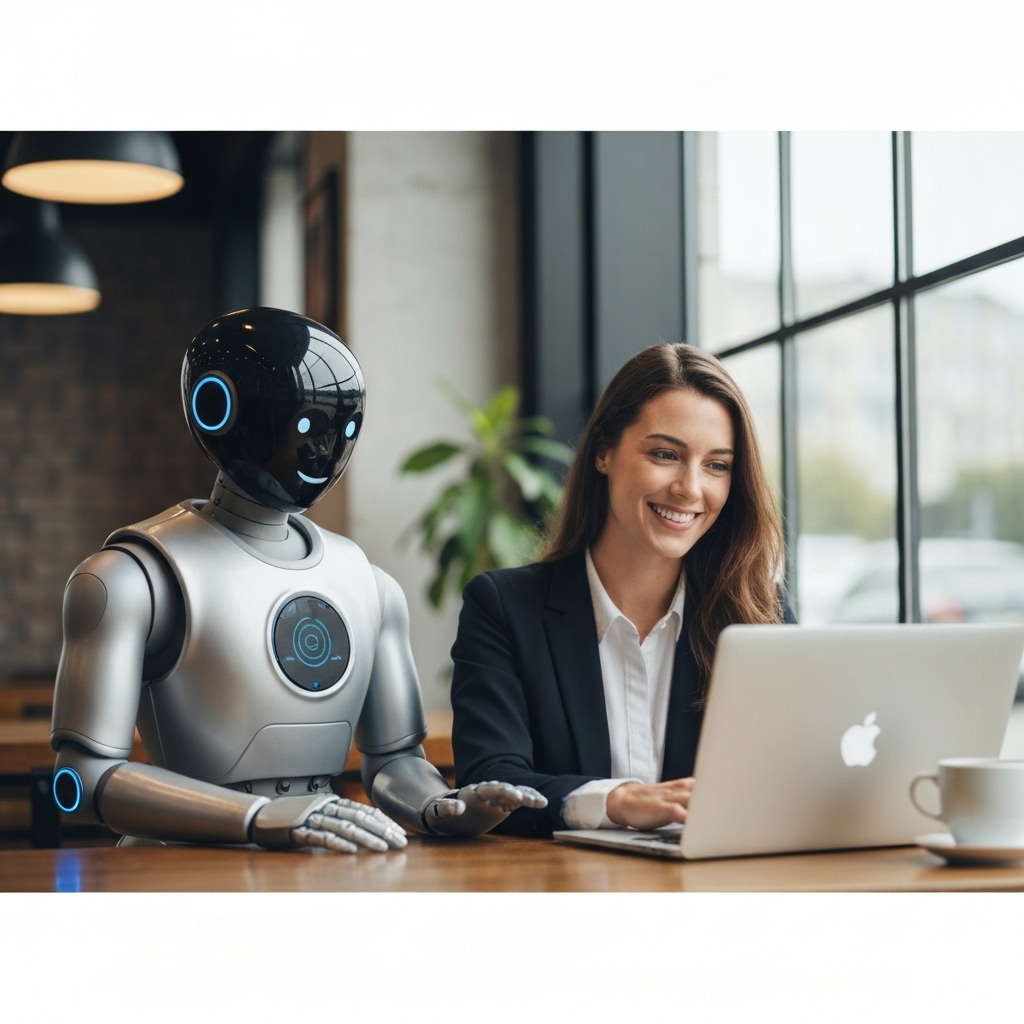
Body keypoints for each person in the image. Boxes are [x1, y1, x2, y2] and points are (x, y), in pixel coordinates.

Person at [450, 343, 794, 837]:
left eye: (716, 465)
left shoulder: (759, 616)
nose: (690, 488)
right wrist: (614, 801)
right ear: (603, 452)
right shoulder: (504, 608)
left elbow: (791, 776)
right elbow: (491, 781)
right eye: (664, 454)